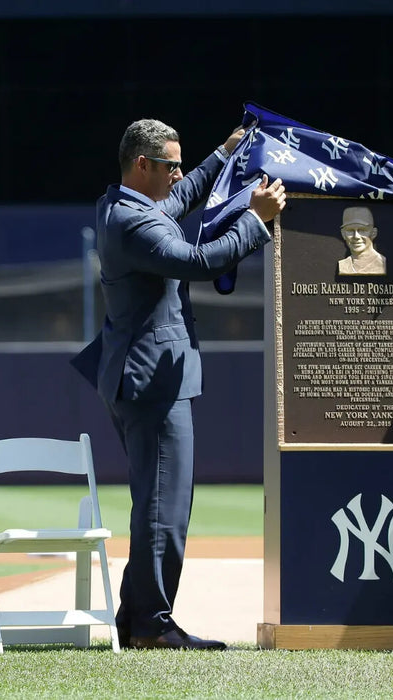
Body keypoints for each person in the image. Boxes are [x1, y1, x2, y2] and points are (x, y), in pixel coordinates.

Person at [71, 118, 286, 650]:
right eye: (171, 164)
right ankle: (152, 622)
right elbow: (197, 262)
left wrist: (223, 152)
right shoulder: (134, 221)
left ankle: (137, 616)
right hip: (150, 380)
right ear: (142, 165)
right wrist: (255, 222)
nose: (180, 174)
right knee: (165, 506)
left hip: (139, 375)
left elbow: (185, 194)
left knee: (155, 500)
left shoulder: (123, 205)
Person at [336, 205, 386, 275]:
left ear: (373, 233)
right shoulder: (343, 265)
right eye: (350, 230)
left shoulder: (381, 263)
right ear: (343, 234)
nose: (356, 236)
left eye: (362, 230)